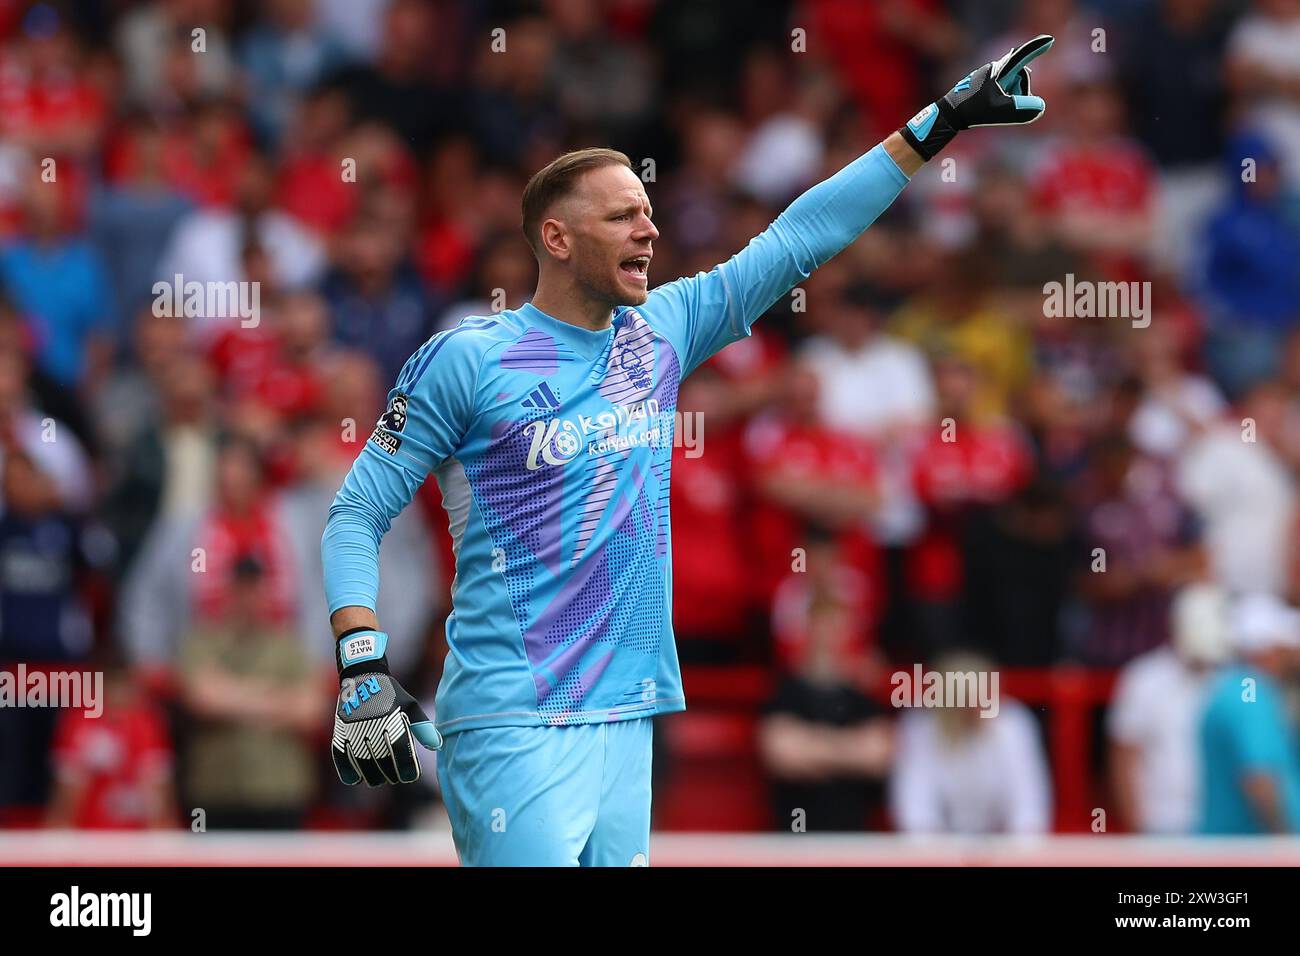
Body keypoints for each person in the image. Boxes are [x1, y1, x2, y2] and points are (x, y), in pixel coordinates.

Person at [320, 36, 1057, 866]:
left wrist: (939, 124)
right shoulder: (469, 357)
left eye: (648, 209)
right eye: (623, 216)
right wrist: (362, 668)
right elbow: (354, 514)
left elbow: (799, 238)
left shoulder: (661, 332)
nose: (650, 228)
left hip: (628, 715)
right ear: (556, 240)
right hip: (512, 714)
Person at [1107, 583, 1231, 834]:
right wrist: (1137, 824)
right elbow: (1123, 756)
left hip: (1221, 824)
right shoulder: (1143, 679)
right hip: (1162, 822)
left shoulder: (1231, 681)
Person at [1199, 592, 1300, 834]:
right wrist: (1285, 843)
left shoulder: (1235, 690)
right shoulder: (1251, 696)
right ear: (1267, 649)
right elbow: (1259, 778)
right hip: (1250, 850)